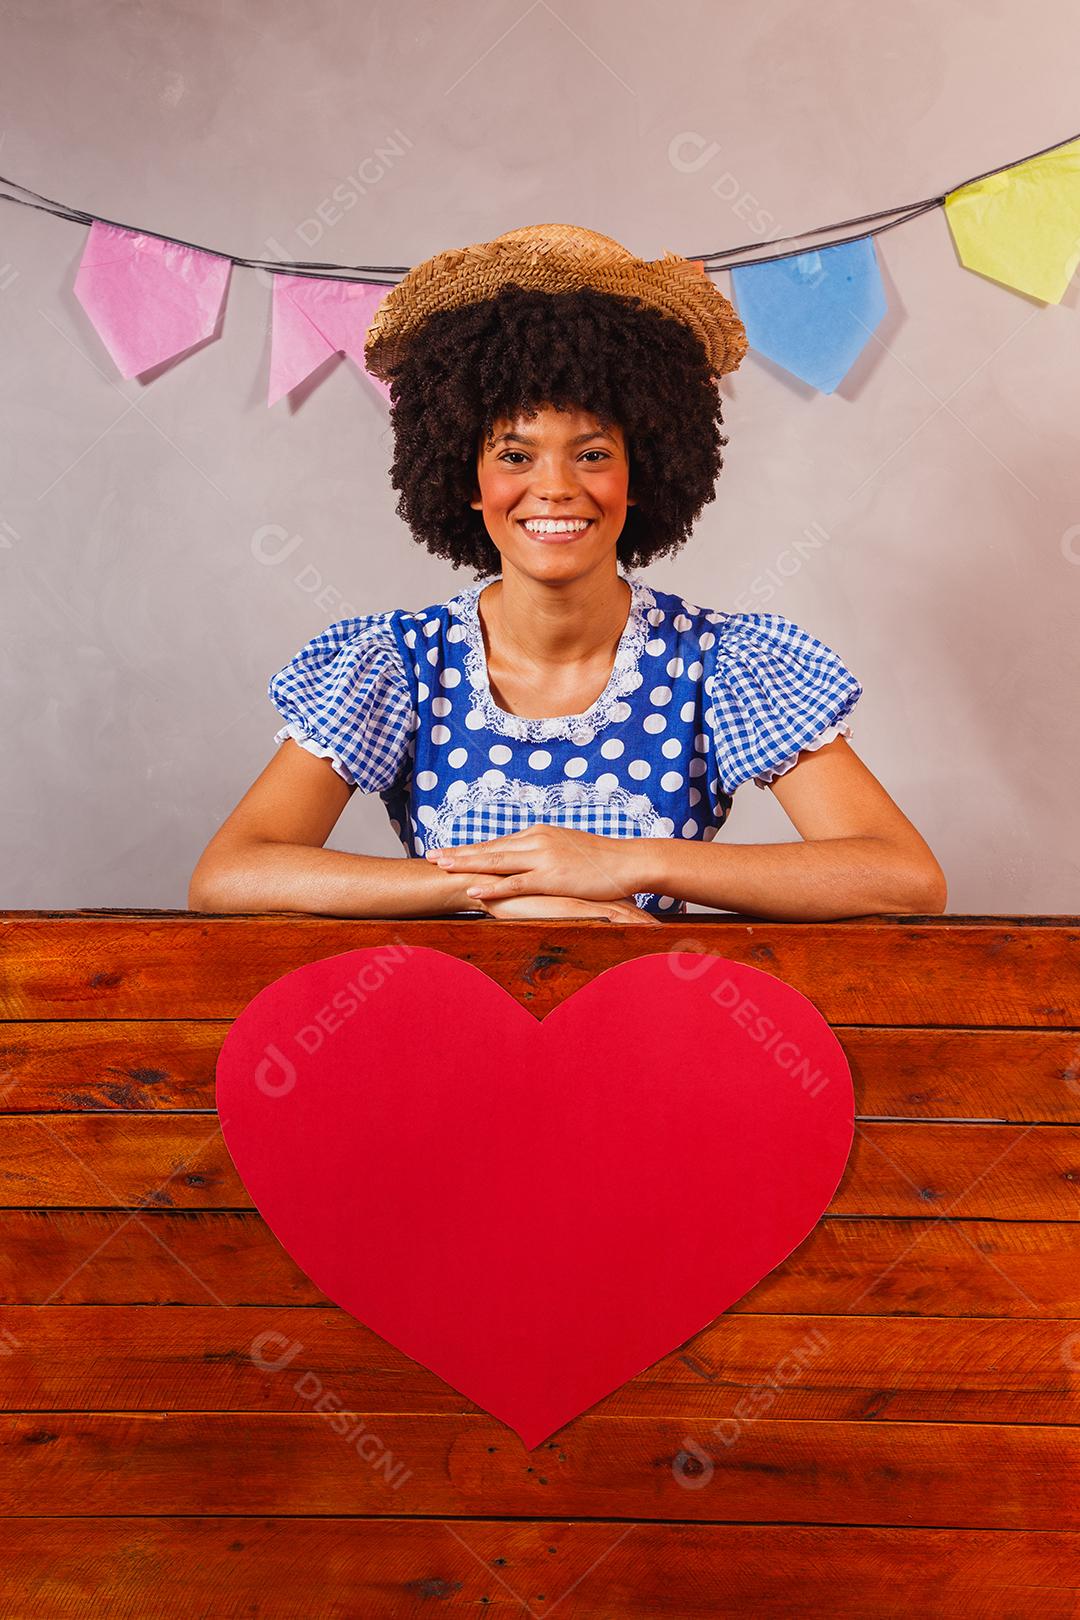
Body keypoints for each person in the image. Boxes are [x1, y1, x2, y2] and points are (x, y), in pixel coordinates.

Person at [188, 223, 946, 923]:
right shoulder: (395, 663)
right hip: (447, 1046)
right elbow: (230, 875)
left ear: (643, 473)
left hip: (654, 1046)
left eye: (592, 454)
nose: (555, 487)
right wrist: (503, 887)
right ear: (466, 478)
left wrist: (624, 864)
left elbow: (903, 878)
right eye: (515, 456)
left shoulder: (722, 665)